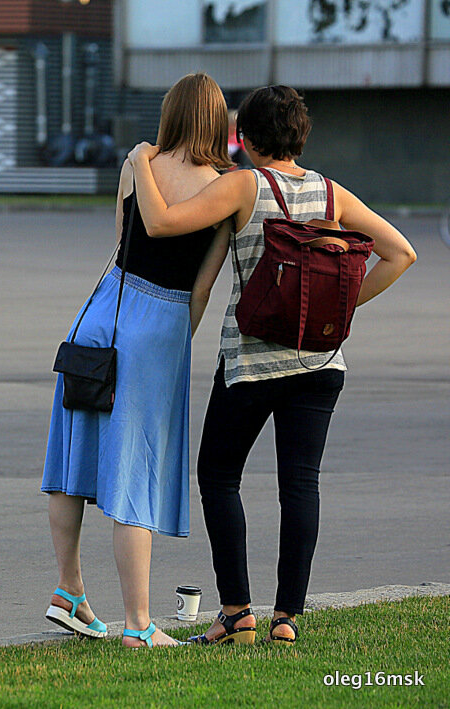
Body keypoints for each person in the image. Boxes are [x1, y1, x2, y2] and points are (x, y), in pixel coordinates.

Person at [127, 85, 416, 645]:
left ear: (249, 139)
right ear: (300, 136)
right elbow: (401, 252)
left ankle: (236, 613)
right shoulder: (334, 194)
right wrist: (334, 307)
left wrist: (140, 159)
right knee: (300, 484)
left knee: (218, 475)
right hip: (321, 361)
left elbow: (160, 222)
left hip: (252, 362)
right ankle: (287, 617)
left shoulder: (244, 186)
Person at [41, 73, 234, 648]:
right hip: (159, 323)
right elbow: (201, 288)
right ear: (217, 122)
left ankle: (69, 590)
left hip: (102, 310)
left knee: (73, 454)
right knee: (137, 471)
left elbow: (122, 241)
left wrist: (144, 166)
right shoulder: (221, 186)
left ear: (170, 113)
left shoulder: (136, 165)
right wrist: (178, 337)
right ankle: (139, 624)